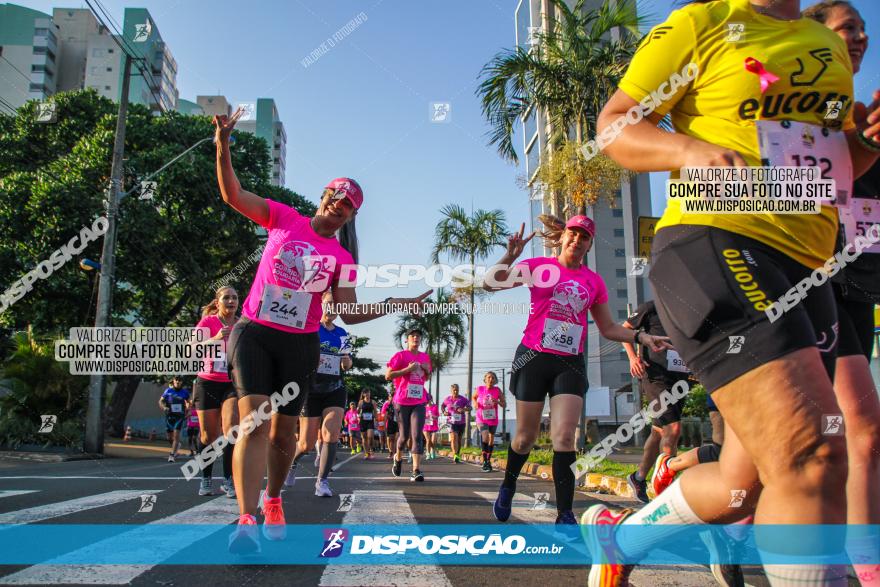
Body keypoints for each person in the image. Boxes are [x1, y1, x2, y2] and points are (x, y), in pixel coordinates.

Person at [585, 0, 880, 584]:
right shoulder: (702, 22)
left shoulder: (821, 46)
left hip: (806, 269)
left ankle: (618, 540)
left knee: (748, 484)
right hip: (716, 241)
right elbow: (614, 125)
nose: (858, 37)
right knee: (815, 455)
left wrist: (868, 140)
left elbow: (838, 168)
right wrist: (686, 150)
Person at [214, 108, 429, 552]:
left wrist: (394, 303)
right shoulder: (282, 218)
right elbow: (234, 195)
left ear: (351, 215)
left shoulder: (342, 261)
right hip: (255, 332)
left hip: (299, 344)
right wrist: (223, 145)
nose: (339, 202)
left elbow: (347, 313)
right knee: (253, 423)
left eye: (347, 202)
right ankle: (246, 519)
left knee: (283, 434)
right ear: (324, 195)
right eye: (335, 194)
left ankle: (274, 499)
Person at [484, 218, 670, 527]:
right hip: (533, 357)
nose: (577, 240)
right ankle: (508, 484)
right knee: (525, 438)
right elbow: (491, 283)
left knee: (565, 437)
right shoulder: (539, 267)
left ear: (589, 244)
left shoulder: (593, 282)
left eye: (585, 236)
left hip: (569, 363)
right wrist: (511, 256)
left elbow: (609, 327)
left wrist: (641, 337)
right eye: (573, 233)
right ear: (563, 236)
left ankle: (565, 513)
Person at [806, 4, 880, 584]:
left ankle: (729, 519)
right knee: (863, 428)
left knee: (808, 439)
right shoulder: (823, 109)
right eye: (845, 27)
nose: (858, 36)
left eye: (862, 28)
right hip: (811, 282)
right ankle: (866, 563)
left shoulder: (868, 112)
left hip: (863, 287)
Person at [621, 300, 690, 503]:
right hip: (655, 376)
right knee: (673, 429)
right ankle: (666, 493)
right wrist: (633, 358)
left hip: (680, 376)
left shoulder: (693, 309)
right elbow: (624, 330)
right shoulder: (652, 307)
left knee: (659, 431)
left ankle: (638, 477)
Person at [285, 292, 352, 497]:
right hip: (311, 389)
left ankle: (322, 481)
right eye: (329, 303)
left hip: (335, 388)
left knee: (330, 434)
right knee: (305, 443)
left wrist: (345, 359)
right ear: (320, 304)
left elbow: (347, 364)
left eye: (336, 305)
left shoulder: (343, 334)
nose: (332, 308)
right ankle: (292, 464)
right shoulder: (309, 327)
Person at [192, 286, 240, 498]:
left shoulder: (241, 324)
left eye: (235, 298)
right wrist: (216, 337)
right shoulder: (208, 322)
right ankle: (206, 477)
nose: (231, 301)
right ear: (218, 302)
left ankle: (228, 479)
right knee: (208, 435)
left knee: (231, 430)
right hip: (207, 382)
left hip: (232, 383)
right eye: (227, 298)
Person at [385, 328, 432, 482]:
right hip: (402, 401)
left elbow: (427, 376)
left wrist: (426, 370)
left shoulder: (425, 357)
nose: (416, 338)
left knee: (417, 435)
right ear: (407, 340)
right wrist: (408, 369)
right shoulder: (400, 356)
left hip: (419, 400)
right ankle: (397, 458)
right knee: (404, 436)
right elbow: (388, 375)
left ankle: (416, 470)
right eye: (412, 336)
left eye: (418, 336)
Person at [472, 371, 505, 472]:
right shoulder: (480, 389)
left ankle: (488, 461)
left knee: (491, 439)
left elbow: (504, 404)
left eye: (493, 378)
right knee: (485, 436)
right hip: (481, 418)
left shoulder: (497, 390)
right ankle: (485, 461)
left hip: (492, 418)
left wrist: (498, 401)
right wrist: (475, 404)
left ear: (495, 380)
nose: (491, 379)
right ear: (485, 379)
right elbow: (474, 397)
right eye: (489, 377)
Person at [159, 377, 190, 463]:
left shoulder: (185, 392)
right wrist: (164, 407)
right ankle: (177, 446)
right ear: (173, 381)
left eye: (179, 380)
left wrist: (188, 408)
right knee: (169, 437)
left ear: (181, 382)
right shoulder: (168, 391)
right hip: (169, 416)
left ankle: (172, 455)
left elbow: (188, 402)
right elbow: (161, 401)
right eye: (176, 380)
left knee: (176, 435)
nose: (177, 381)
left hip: (179, 416)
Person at [441, 384, 470, 463]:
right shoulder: (448, 399)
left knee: (459, 440)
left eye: (457, 390)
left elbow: (470, 407)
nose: (456, 391)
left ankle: (457, 454)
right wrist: (444, 412)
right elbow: (442, 406)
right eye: (454, 390)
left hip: (461, 422)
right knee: (454, 437)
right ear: (451, 391)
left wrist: (464, 409)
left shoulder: (463, 399)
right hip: (451, 422)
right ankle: (455, 455)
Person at [358, 389, 376, 459]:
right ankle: (366, 453)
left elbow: (375, 411)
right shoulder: (361, 402)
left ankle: (371, 449)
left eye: (369, 393)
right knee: (364, 437)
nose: (368, 394)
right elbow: (358, 411)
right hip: (363, 421)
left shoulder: (373, 402)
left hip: (370, 421)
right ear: (363, 394)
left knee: (370, 436)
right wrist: (358, 413)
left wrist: (376, 419)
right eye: (366, 393)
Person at [381, 392, 398, 458]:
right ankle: (391, 452)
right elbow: (383, 414)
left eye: (393, 396)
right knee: (391, 439)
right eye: (391, 396)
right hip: (390, 423)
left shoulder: (398, 404)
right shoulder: (387, 404)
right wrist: (384, 424)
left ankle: (396, 452)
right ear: (389, 397)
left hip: (397, 424)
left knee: (396, 438)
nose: (392, 398)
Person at [423, 393, 440, 460]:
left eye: (429, 399)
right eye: (427, 399)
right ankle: (428, 453)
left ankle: (433, 450)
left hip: (434, 426)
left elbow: (438, 416)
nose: (428, 400)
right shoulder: (423, 407)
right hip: (426, 426)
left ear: (431, 399)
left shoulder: (435, 406)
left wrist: (434, 416)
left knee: (433, 441)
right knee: (428, 440)